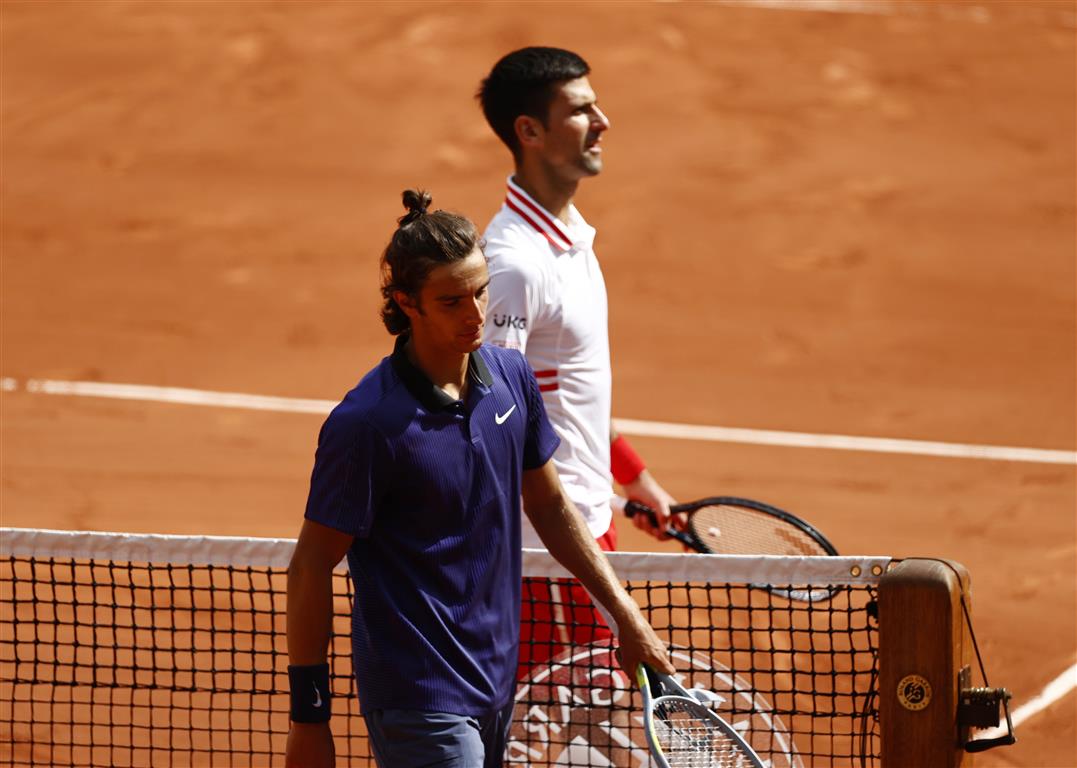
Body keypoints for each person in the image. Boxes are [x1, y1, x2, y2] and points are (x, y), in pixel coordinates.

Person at [284, 189, 674, 768]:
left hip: (496, 679)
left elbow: (552, 507)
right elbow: (311, 564)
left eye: (480, 292)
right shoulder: (369, 424)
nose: (475, 315)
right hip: (419, 691)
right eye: (451, 302)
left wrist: (625, 611)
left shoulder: (513, 378)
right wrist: (309, 720)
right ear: (405, 302)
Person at [477, 47, 679, 674]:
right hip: (550, 547)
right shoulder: (515, 265)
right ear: (529, 131)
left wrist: (631, 475)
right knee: (563, 727)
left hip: (583, 524)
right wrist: (568, 525)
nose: (603, 121)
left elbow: (565, 383)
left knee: (568, 727)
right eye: (581, 109)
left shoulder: (571, 239)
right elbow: (494, 421)